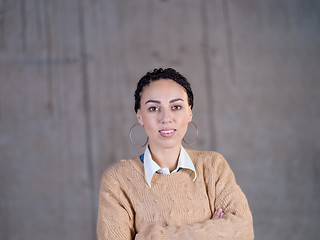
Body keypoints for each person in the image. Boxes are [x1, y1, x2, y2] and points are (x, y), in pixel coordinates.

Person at [97, 68, 254, 239]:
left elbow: (243, 231)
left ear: (189, 113)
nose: (166, 118)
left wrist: (150, 235)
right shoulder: (117, 180)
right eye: (153, 108)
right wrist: (214, 232)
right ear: (140, 116)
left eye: (176, 107)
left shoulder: (213, 166)